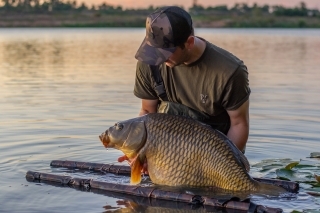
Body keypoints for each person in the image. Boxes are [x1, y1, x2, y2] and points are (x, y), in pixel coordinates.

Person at [119, 6, 250, 171]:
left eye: (165, 52)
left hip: (214, 159)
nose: (158, 58)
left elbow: (239, 124)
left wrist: (223, 169)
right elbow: (147, 112)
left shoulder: (230, 71)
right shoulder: (150, 60)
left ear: (189, 42)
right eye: (154, 50)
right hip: (166, 156)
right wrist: (140, 153)